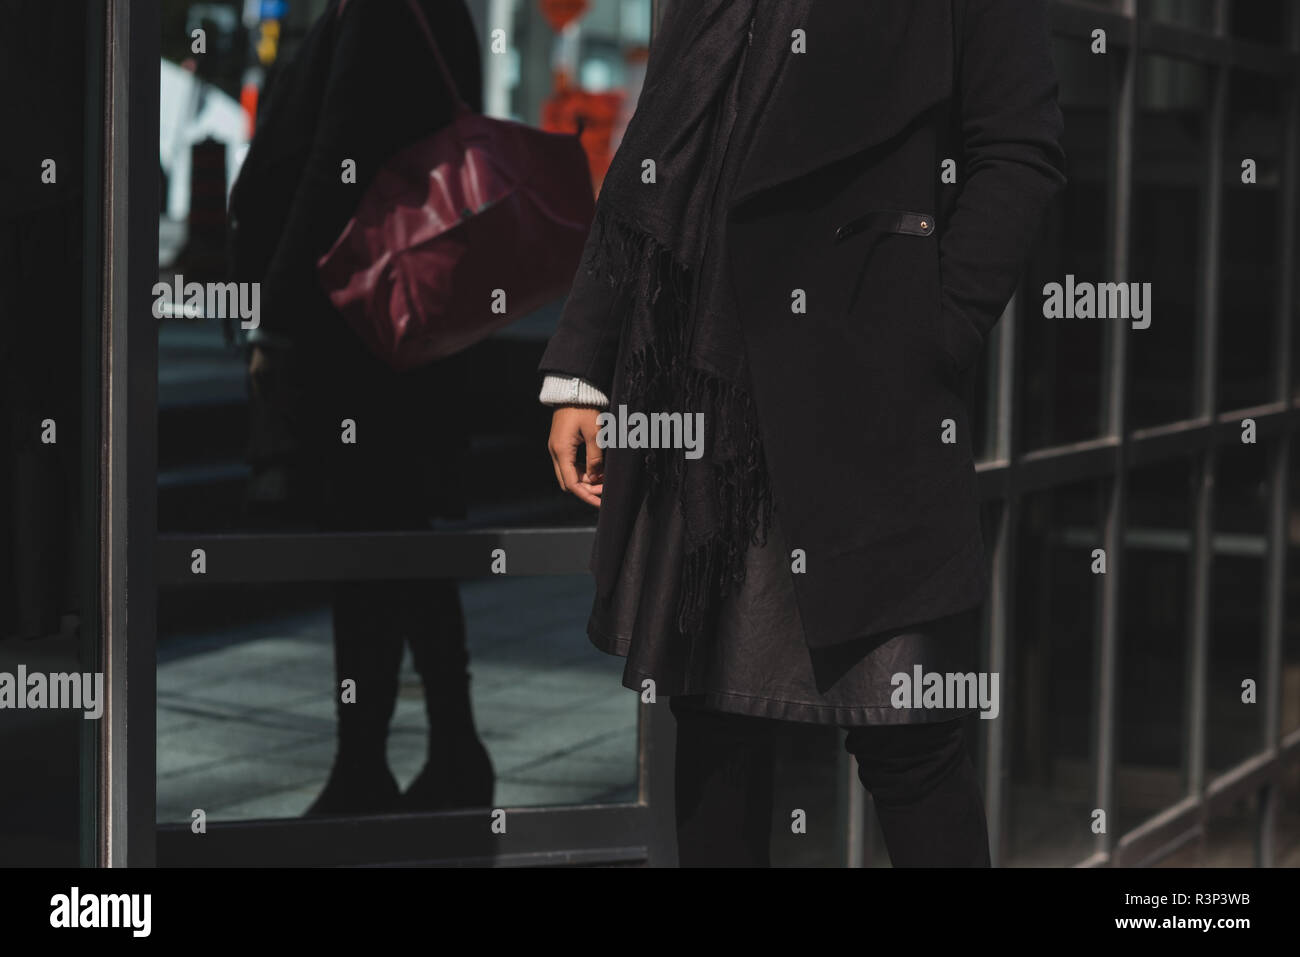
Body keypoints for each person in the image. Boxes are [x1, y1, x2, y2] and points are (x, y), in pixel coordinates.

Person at [541, 0, 1066, 865]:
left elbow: (1020, 146)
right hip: (701, 387)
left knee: (907, 728)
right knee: (712, 716)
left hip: (861, 383)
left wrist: (934, 329)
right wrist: (582, 366)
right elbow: (656, 142)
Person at [228, 0, 493, 815]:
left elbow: (332, 158)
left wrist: (273, 313)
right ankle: (430, 749)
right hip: (395, 318)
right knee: (390, 536)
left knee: (374, 537)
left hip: (363, 320)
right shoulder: (424, 11)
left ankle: (388, 759)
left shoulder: (381, 10)